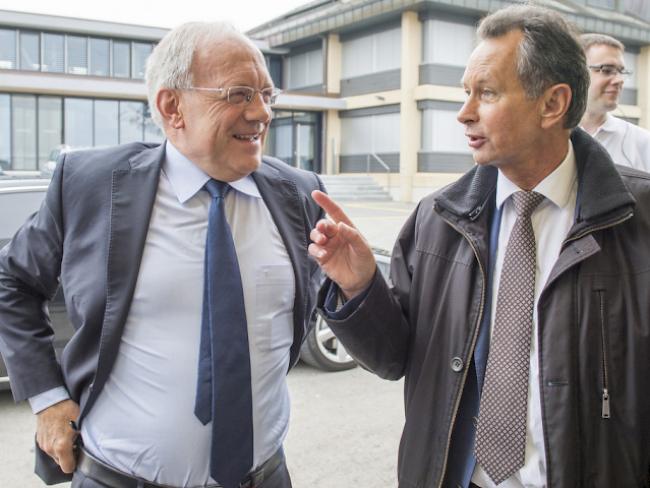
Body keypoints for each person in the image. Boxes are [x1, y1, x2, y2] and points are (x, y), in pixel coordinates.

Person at [309, 5, 650, 488]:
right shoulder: (437, 218)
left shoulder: (639, 218)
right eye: (465, 93)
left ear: (552, 104)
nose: (464, 113)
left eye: (486, 93)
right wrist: (360, 286)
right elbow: (393, 358)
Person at [0, 21, 324, 488]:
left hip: (265, 476)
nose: (261, 113)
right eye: (238, 94)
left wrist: (357, 286)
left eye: (268, 95)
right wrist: (48, 398)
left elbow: (344, 308)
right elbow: (12, 281)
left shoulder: (301, 195)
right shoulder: (92, 185)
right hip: (115, 478)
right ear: (173, 107)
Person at [580, 33, 650, 172]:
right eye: (607, 70)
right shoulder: (550, 136)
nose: (619, 80)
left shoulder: (643, 143)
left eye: (621, 71)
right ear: (577, 71)